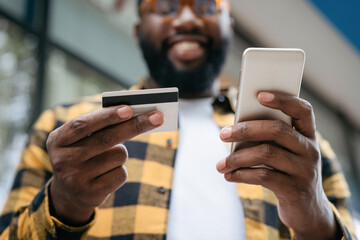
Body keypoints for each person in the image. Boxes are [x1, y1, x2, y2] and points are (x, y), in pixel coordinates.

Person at [0, 0, 357, 239]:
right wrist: (64, 205)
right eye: (165, 6)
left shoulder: (297, 141)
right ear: (139, 31)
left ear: (229, 26)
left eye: (205, 5)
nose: (187, 19)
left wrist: (315, 215)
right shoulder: (66, 125)